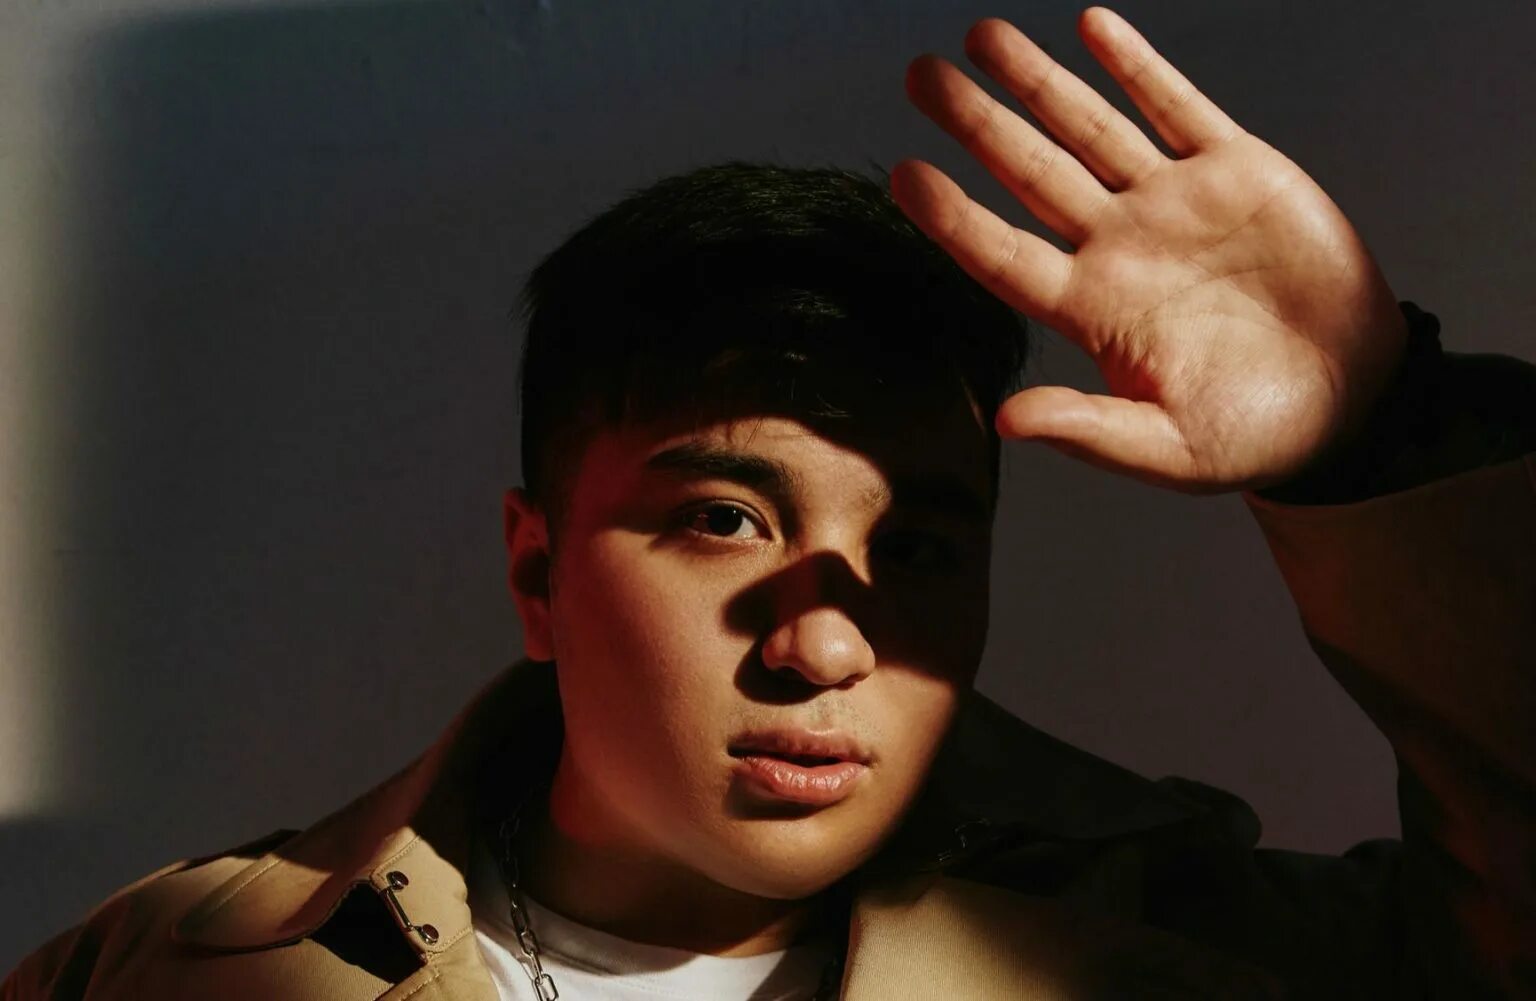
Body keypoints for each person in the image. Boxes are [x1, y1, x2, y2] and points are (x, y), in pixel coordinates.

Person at [5, 7, 1534, 1000]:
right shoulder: (170, 971)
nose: (827, 645)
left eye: (916, 547)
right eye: (726, 520)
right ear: (535, 570)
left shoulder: (1186, 953)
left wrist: (1383, 431)